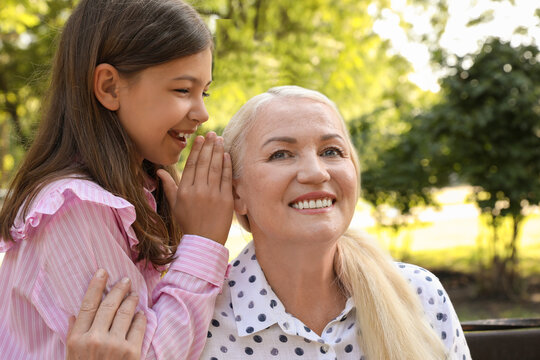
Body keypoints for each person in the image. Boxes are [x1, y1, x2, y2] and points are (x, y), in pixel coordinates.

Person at [70, 86, 472, 359]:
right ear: (236, 194)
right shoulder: (188, 323)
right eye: (281, 154)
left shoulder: (420, 296)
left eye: (332, 151)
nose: (315, 172)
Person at [0, 0, 233, 359]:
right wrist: (202, 243)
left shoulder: (137, 195)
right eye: (183, 90)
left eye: (204, 92)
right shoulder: (74, 208)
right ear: (110, 87)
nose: (202, 112)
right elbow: (144, 353)